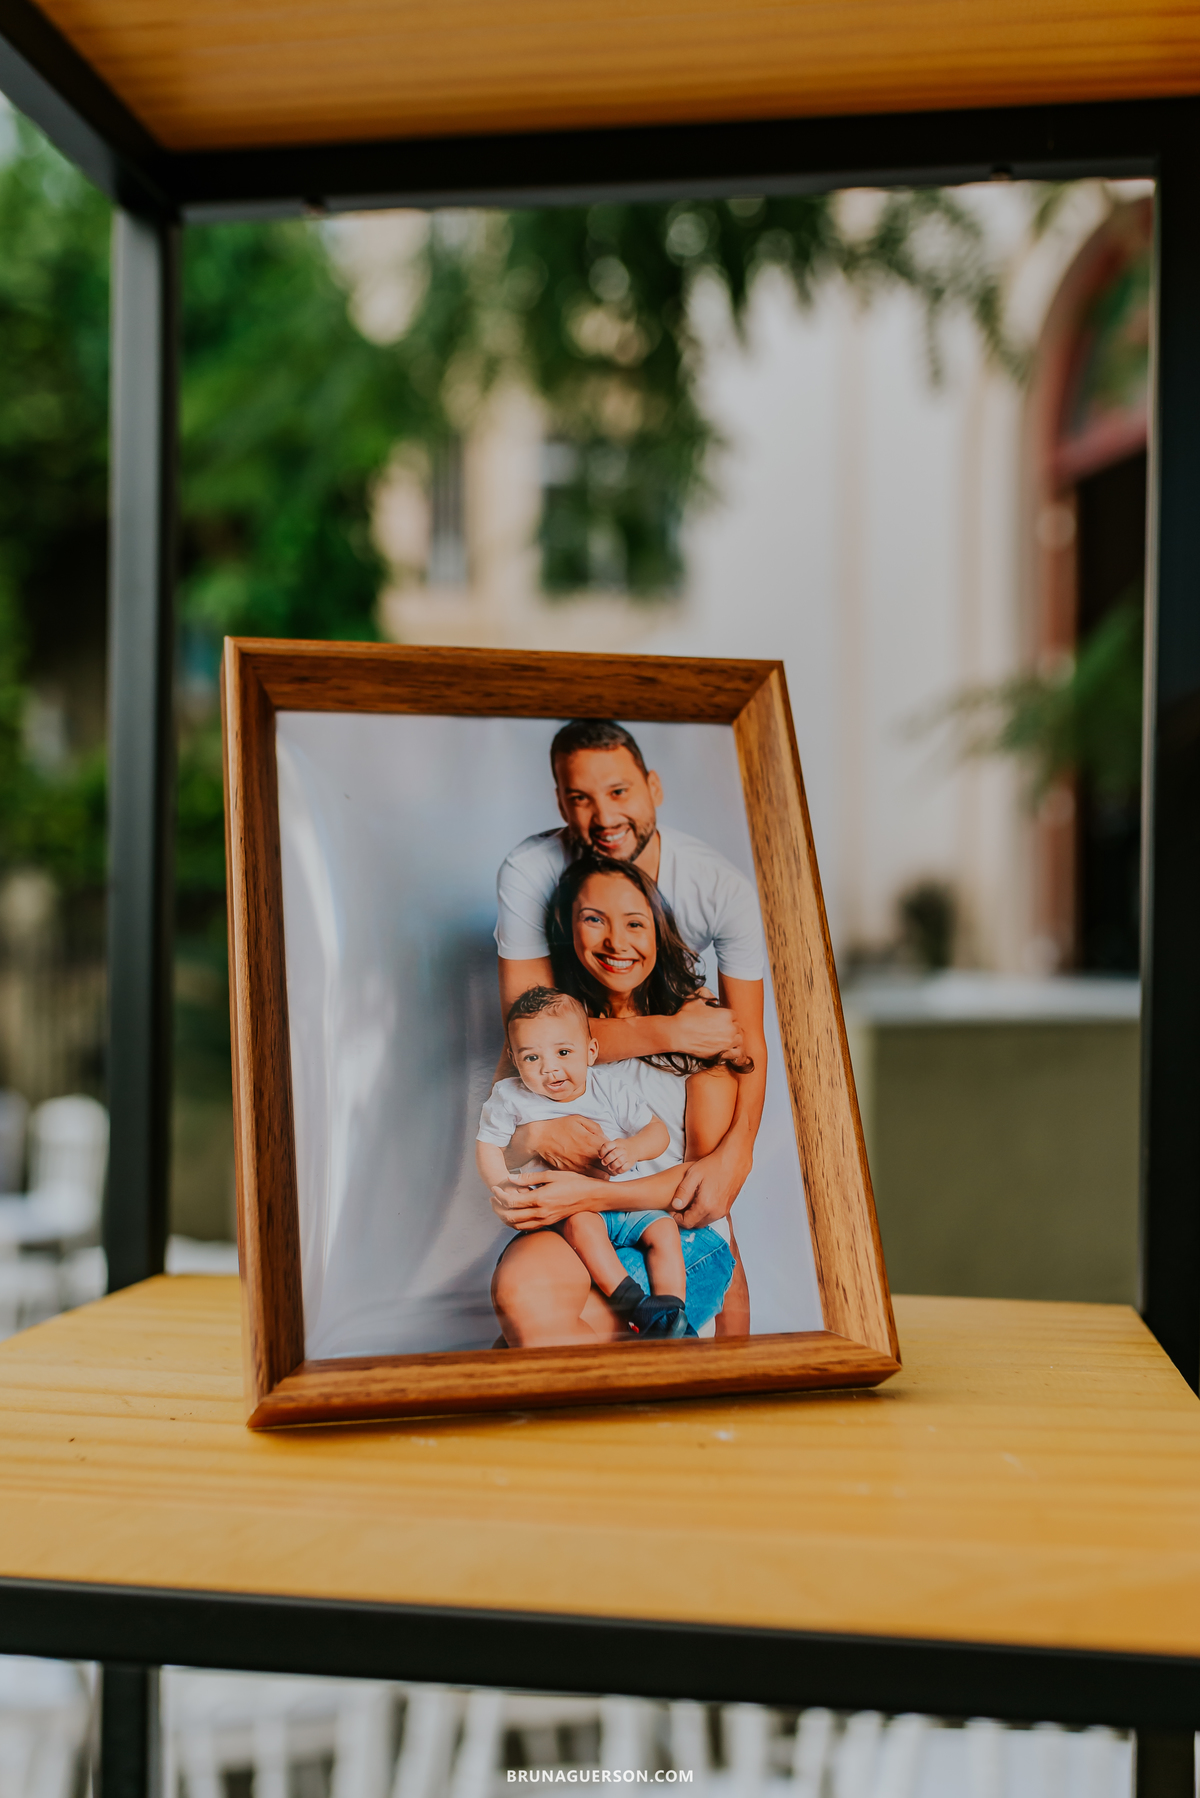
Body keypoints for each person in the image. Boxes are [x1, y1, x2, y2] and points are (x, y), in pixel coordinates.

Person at [494, 719, 767, 1323]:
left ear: (654, 787)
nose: (602, 816)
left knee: (706, 1222)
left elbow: (743, 1041)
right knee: (535, 1297)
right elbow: (527, 1032)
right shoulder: (532, 872)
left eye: (619, 792)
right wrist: (669, 1032)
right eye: (580, 798)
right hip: (575, 1099)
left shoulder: (718, 889)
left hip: (664, 1143)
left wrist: (736, 1154)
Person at [489, 857, 739, 1347]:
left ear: (658, 930)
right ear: (568, 930)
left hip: (665, 1231)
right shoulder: (541, 1031)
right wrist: (538, 1136)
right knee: (525, 1296)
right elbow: (502, 1148)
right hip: (572, 1227)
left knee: (545, 1341)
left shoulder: (702, 1028)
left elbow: (705, 1190)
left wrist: (588, 1194)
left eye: (634, 922)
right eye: (593, 919)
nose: (616, 942)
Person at [476, 985, 699, 1338]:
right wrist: (501, 1186)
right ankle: (633, 1302)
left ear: (590, 1051)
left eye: (564, 1052)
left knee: (663, 1229)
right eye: (532, 1058)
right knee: (584, 1225)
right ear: (515, 1059)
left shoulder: (607, 1088)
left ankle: (671, 1313)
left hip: (623, 1202)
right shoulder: (511, 1096)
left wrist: (633, 1149)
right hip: (570, 1212)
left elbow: (657, 1133)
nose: (550, 1069)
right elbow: (488, 1146)